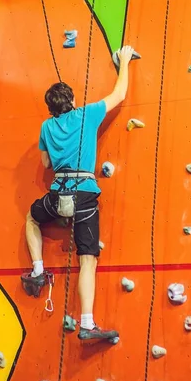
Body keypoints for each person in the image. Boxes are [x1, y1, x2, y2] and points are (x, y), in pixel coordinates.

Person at [23, 45, 135, 340]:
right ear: (72, 101)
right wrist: (124, 61)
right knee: (88, 258)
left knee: (32, 218)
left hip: (58, 193)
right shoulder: (86, 115)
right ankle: (86, 323)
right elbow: (119, 94)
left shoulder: (46, 127)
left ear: (51, 108)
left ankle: (37, 269)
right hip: (84, 193)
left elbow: (46, 163)